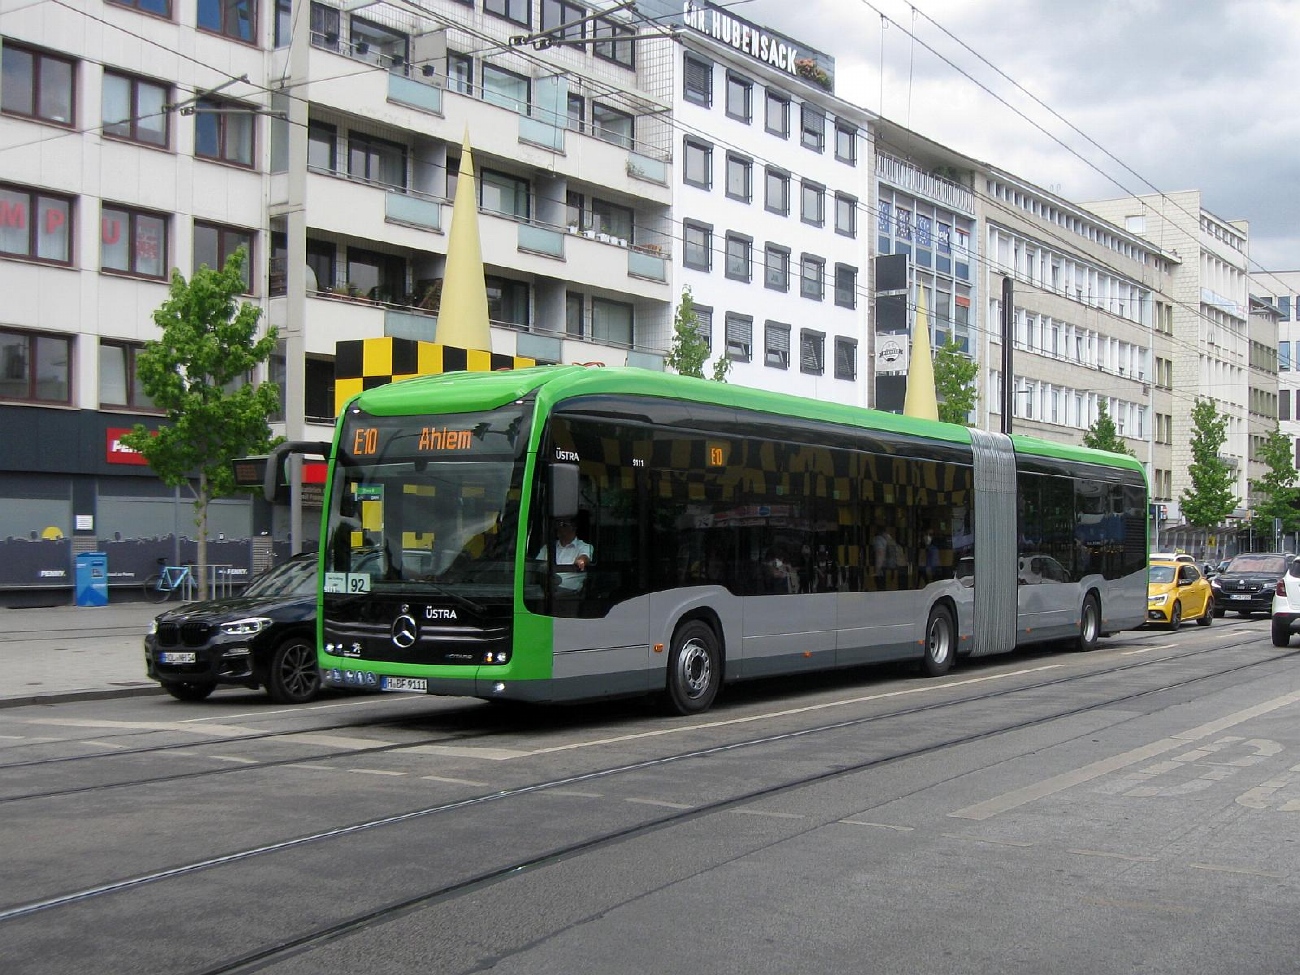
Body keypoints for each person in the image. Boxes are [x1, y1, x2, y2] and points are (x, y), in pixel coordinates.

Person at [537, 519, 593, 594]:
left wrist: (581, 561)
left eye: (563, 525)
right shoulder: (548, 547)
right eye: (557, 524)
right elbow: (537, 565)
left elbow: (585, 557)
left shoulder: (584, 546)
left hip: (568, 590)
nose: (559, 528)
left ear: (574, 527)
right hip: (546, 587)